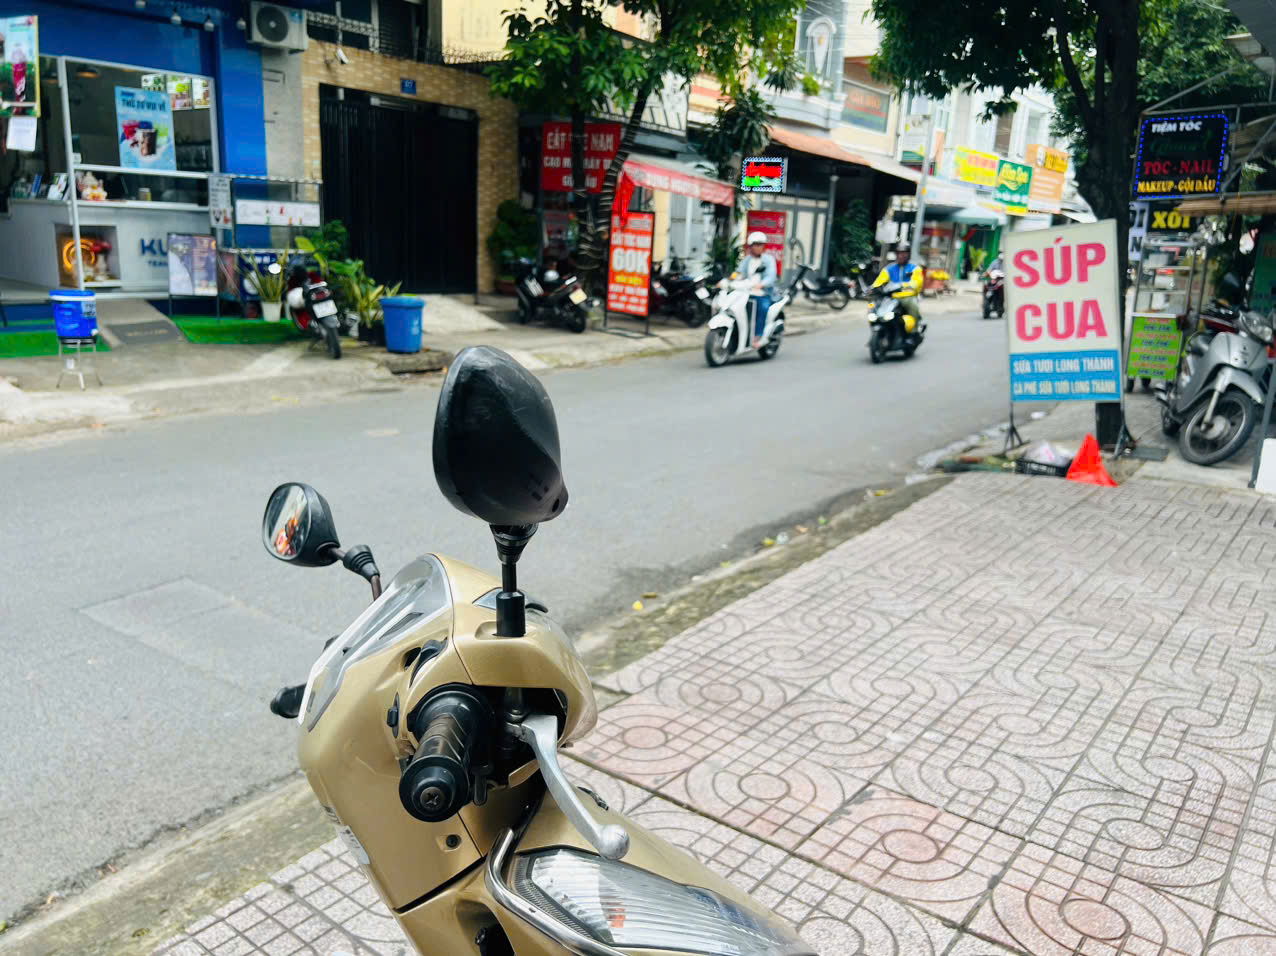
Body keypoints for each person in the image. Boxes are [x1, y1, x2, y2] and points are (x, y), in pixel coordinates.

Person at [871, 242, 924, 338]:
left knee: (914, 307)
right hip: (891, 297)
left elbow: (917, 282)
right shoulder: (889, 268)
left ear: (908, 254)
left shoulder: (915, 268)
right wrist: (872, 288)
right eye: (899, 253)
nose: (901, 256)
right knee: (874, 307)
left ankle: (914, 332)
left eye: (904, 253)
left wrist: (907, 285)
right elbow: (879, 281)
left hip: (907, 297)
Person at [738, 231, 778, 349]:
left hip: (763, 293)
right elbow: (739, 273)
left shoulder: (768, 260)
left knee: (763, 307)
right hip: (746, 292)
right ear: (750, 246)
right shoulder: (747, 260)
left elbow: (771, 276)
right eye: (756, 244)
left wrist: (761, 284)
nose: (758, 247)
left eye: (761, 244)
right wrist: (730, 280)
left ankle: (758, 335)